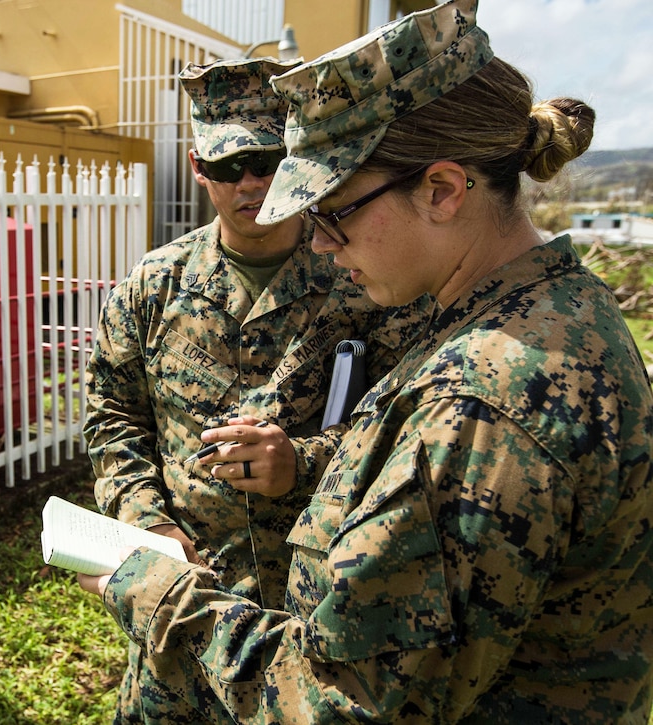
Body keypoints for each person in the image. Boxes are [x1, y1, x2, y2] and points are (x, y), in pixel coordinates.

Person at [79, 0, 653, 721]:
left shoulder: (486, 397)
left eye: (335, 211)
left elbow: (340, 702)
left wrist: (152, 588)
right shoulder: (535, 315)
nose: (318, 241)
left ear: (441, 190)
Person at [83, 58, 433, 722]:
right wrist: (147, 520)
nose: (250, 182)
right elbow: (113, 418)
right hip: (183, 602)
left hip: (311, 611)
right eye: (226, 166)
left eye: (267, 159)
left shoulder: (363, 276)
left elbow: (408, 429)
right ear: (197, 168)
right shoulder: (153, 286)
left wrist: (299, 461)